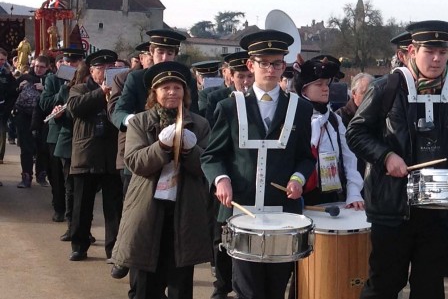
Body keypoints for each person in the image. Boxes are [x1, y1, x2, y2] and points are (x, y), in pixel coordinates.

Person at [347, 20, 448, 299]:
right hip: (393, 208)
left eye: (442, 52)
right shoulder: (387, 88)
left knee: (430, 287)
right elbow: (356, 132)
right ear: (411, 50)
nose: (436, 59)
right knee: (384, 285)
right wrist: (386, 156)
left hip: (440, 211)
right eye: (429, 51)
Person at [201, 29, 316, 299]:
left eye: (277, 63)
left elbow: (305, 157)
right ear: (251, 65)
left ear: (284, 66)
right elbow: (211, 155)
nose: (271, 69)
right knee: (248, 291)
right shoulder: (229, 107)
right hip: (242, 215)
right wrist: (221, 179)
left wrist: (298, 178)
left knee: (275, 290)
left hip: (283, 216)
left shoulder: (301, 108)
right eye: (264, 62)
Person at [112, 61, 213, 299]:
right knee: (146, 285)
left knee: (180, 286)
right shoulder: (139, 122)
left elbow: (207, 166)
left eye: (177, 88)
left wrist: (190, 150)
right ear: (154, 93)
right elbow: (135, 162)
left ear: (185, 92)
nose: (171, 92)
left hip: (184, 211)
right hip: (148, 210)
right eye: (165, 87)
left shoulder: (200, 124)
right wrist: (161, 146)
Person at [201, 52, 252, 299]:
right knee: (221, 230)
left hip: (248, 174)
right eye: (240, 76)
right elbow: (213, 140)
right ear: (229, 76)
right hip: (224, 173)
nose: (246, 81)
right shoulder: (217, 100)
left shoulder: (258, 101)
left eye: (249, 76)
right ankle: (222, 284)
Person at [66, 49, 123, 262]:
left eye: (111, 68)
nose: (107, 72)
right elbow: (75, 108)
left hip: (111, 156)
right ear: (91, 71)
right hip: (86, 154)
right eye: (102, 68)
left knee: (114, 206)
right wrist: (101, 93)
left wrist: (112, 93)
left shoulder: (120, 90)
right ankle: (79, 245)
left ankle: (113, 249)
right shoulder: (79, 88)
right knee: (82, 204)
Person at [294, 55, 364, 209]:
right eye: (319, 84)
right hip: (300, 195)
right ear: (304, 89)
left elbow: (349, 159)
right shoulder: (294, 118)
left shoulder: (334, 119)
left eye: (326, 84)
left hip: (332, 193)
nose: (325, 88)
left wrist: (353, 192)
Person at [41, 49, 84, 227]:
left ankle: (73, 214)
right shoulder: (53, 79)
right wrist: (63, 89)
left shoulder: (84, 80)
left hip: (76, 132)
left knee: (73, 177)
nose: (70, 66)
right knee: (57, 174)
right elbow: (44, 103)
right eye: (67, 62)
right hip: (56, 133)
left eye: (74, 63)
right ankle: (59, 208)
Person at [14, 56, 51, 187]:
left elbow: (56, 97)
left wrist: (45, 88)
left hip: (43, 117)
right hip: (24, 117)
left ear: (47, 68)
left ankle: (41, 175)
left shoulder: (50, 80)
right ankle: (26, 176)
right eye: (37, 66)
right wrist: (19, 87)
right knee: (26, 148)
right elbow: (12, 93)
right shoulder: (25, 78)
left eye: (42, 67)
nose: (39, 69)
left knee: (42, 147)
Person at [0, 48, 17, 164]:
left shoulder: (7, 74)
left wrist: (8, 107)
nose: (1, 62)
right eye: (0, 59)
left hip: (2, 109)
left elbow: (12, 93)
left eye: (3, 60)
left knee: (1, 133)